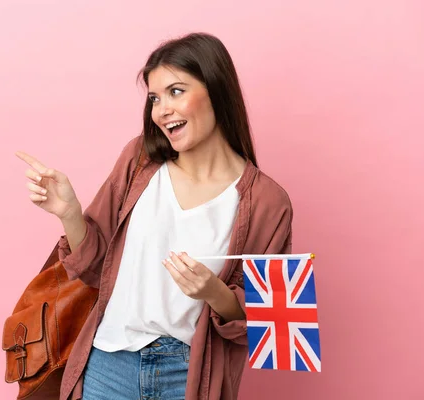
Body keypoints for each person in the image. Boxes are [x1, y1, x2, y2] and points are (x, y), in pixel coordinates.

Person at [16, 32, 293, 400]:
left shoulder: (268, 203)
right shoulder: (139, 162)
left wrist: (214, 293)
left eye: (176, 91)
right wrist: (69, 214)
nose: (161, 110)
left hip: (189, 375)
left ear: (216, 89)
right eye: (154, 98)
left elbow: (267, 320)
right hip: (108, 366)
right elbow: (96, 267)